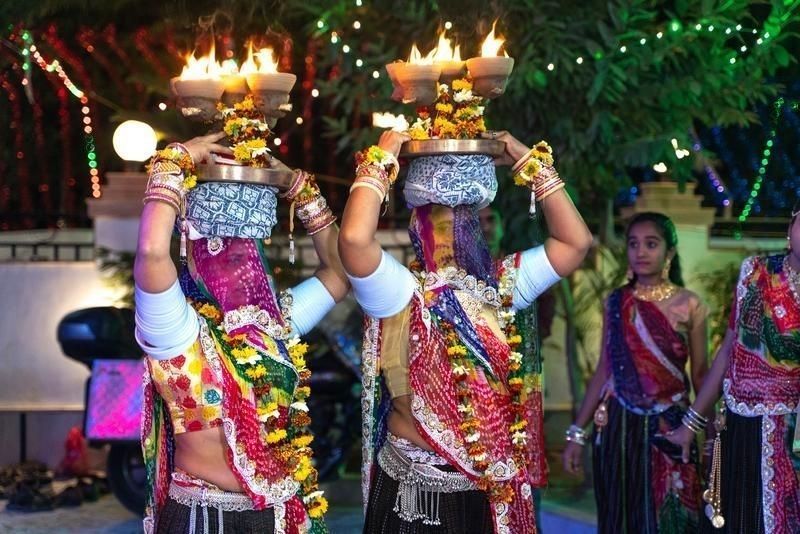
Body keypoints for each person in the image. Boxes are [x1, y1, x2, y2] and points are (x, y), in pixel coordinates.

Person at [339, 130, 593, 533]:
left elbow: (575, 242)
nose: (450, 232)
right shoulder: (402, 291)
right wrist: (380, 161)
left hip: (487, 489)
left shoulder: (501, 286)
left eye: (463, 218)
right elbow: (353, 239)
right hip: (415, 489)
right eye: (436, 217)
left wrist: (532, 164)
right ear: (416, 224)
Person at [134, 132, 348, 533]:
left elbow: (339, 272)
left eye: (248, 247)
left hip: (280, 515)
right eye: (223, 246)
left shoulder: (272, 327)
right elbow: (150, 252)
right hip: (205, 519)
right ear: (197, 252)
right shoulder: (175, 330)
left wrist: (300, 189)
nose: (241, 260)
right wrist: (174, 160)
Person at [561, 212, 709, 533]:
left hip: (670, 427)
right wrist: (576, 433)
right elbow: (604, 369)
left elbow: (701, 374)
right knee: (619, 516)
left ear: (669, 252)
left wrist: (708, 434)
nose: (641, 252)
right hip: (617, 424)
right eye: (633, 244)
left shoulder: (690, 305)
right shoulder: (616, 302)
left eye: (651, 244)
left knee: (673, 518)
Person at [667, 203, 800, 533]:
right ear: (790, 228)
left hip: (791, 436)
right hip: (739, 425)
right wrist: (692, 423)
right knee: (738, 519)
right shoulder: (755, 272)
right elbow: (729, 349)